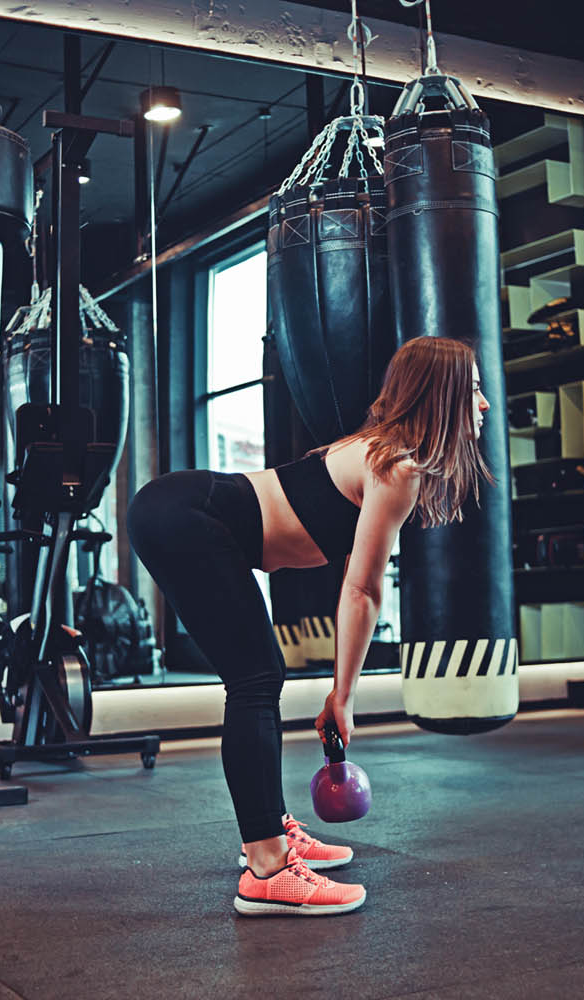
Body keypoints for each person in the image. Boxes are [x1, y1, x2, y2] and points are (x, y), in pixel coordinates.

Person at [127, 336, 492, 917]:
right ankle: (267, 868)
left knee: (257, 676)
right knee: (257, 679)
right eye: (474, 390)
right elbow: (364, 590)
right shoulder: (396, 465)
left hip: (179, 507)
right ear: (444, 393)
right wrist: (342, 696)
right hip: (187, 514)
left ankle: (271, 830)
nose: (484, 405)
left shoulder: (382, 454)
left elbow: (354, 568)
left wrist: (339, 690)